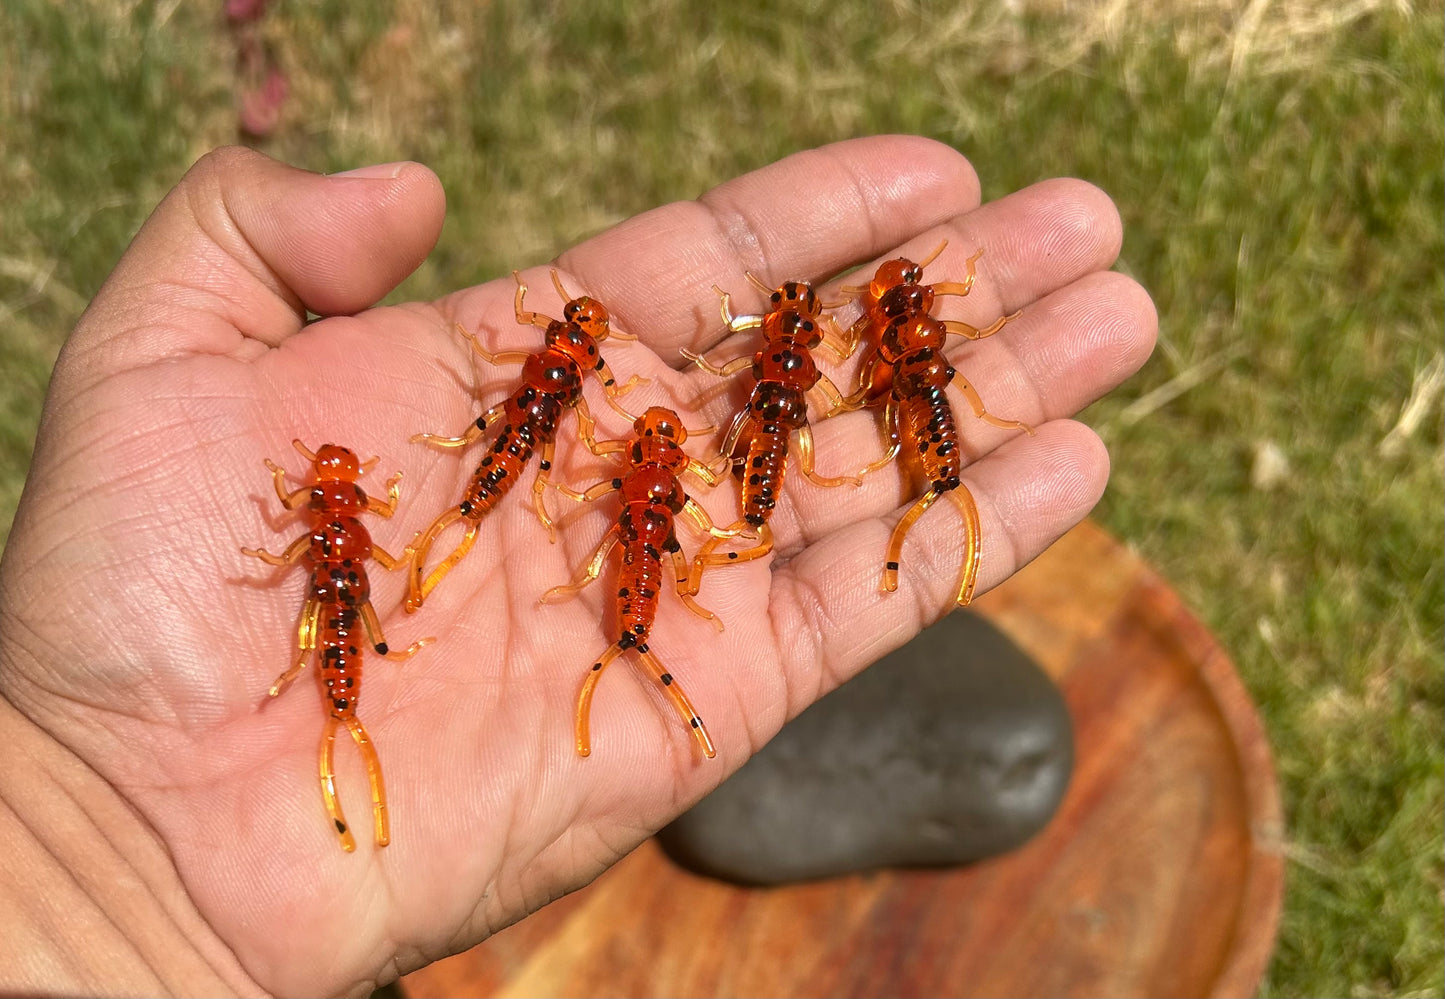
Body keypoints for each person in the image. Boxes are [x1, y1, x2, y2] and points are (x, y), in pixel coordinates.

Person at [0, 136, 1156, 997]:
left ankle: (667, 636)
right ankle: (631, 656)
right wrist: (93, 828)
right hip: (531, 497)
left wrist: (109, 877)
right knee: (512, 536)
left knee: (662, 523)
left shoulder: (678, 420)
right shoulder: (611, 427)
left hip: (612, 498)